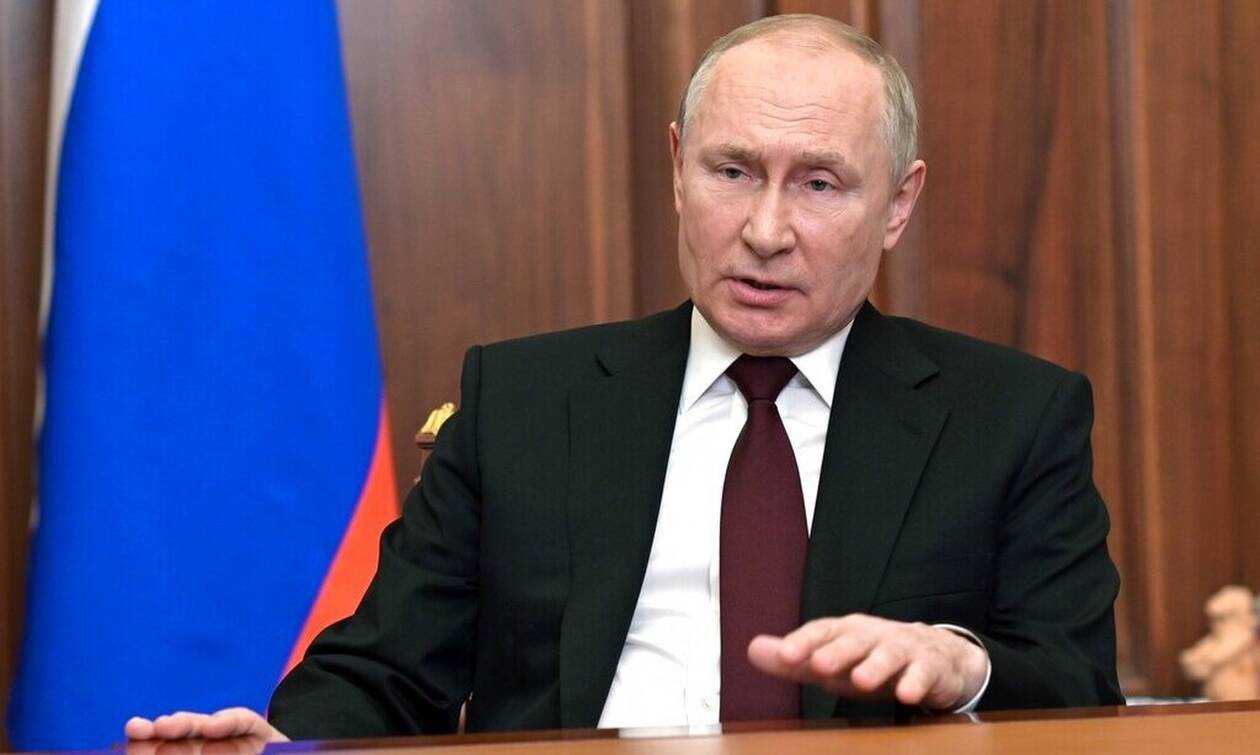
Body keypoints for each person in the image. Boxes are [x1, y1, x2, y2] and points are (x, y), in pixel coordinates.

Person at [126, 13, 1123, 744]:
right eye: (733, 171)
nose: (766, 230)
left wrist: (965, 665)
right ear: (679, 167)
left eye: (819, 183)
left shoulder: (1011, 417)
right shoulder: (524, 402)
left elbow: (1079, 684)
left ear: (898, 204)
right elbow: (385, 672)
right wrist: (284, 744)